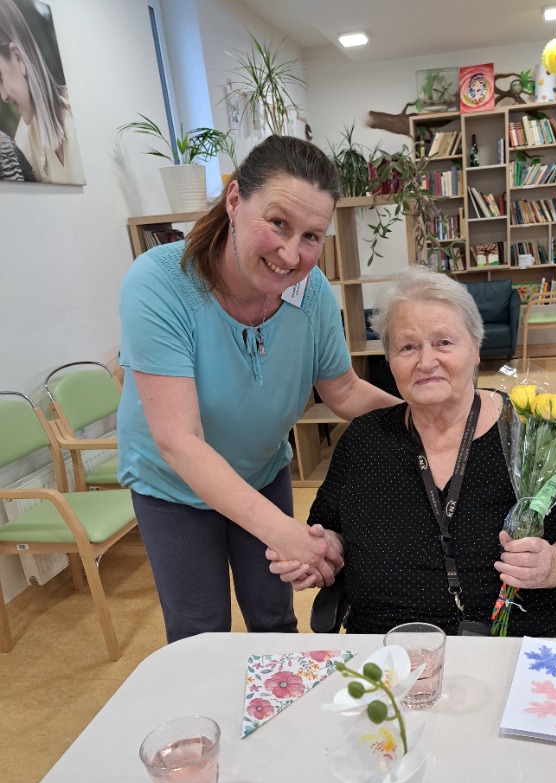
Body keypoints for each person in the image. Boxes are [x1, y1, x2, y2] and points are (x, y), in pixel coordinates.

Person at [118, 134, 399, 642]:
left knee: (274, 622)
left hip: (261, 471)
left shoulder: (310, 292)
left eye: (311, 236)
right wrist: (285, 533)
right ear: (234, 200)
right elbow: (179, 440)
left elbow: (342, 390)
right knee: (201, 634)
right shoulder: (159, 284)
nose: (291, 254)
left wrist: (435, 419)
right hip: (174, 488)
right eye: (278, 223)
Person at [268, 265, 556, 638]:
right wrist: (320, 555)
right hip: (396, 651)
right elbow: (331, 533)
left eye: (444, 342)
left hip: (529, 644)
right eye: (407, 347)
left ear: (476, 349)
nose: (426, 361)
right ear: (390, 361)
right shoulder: (363, 441)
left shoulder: (532, 432)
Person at [0, 0, 84, 184]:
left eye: (0, 78)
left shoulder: (81, 116)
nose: (3, 96)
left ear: (18, 58)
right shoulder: (23, 138)